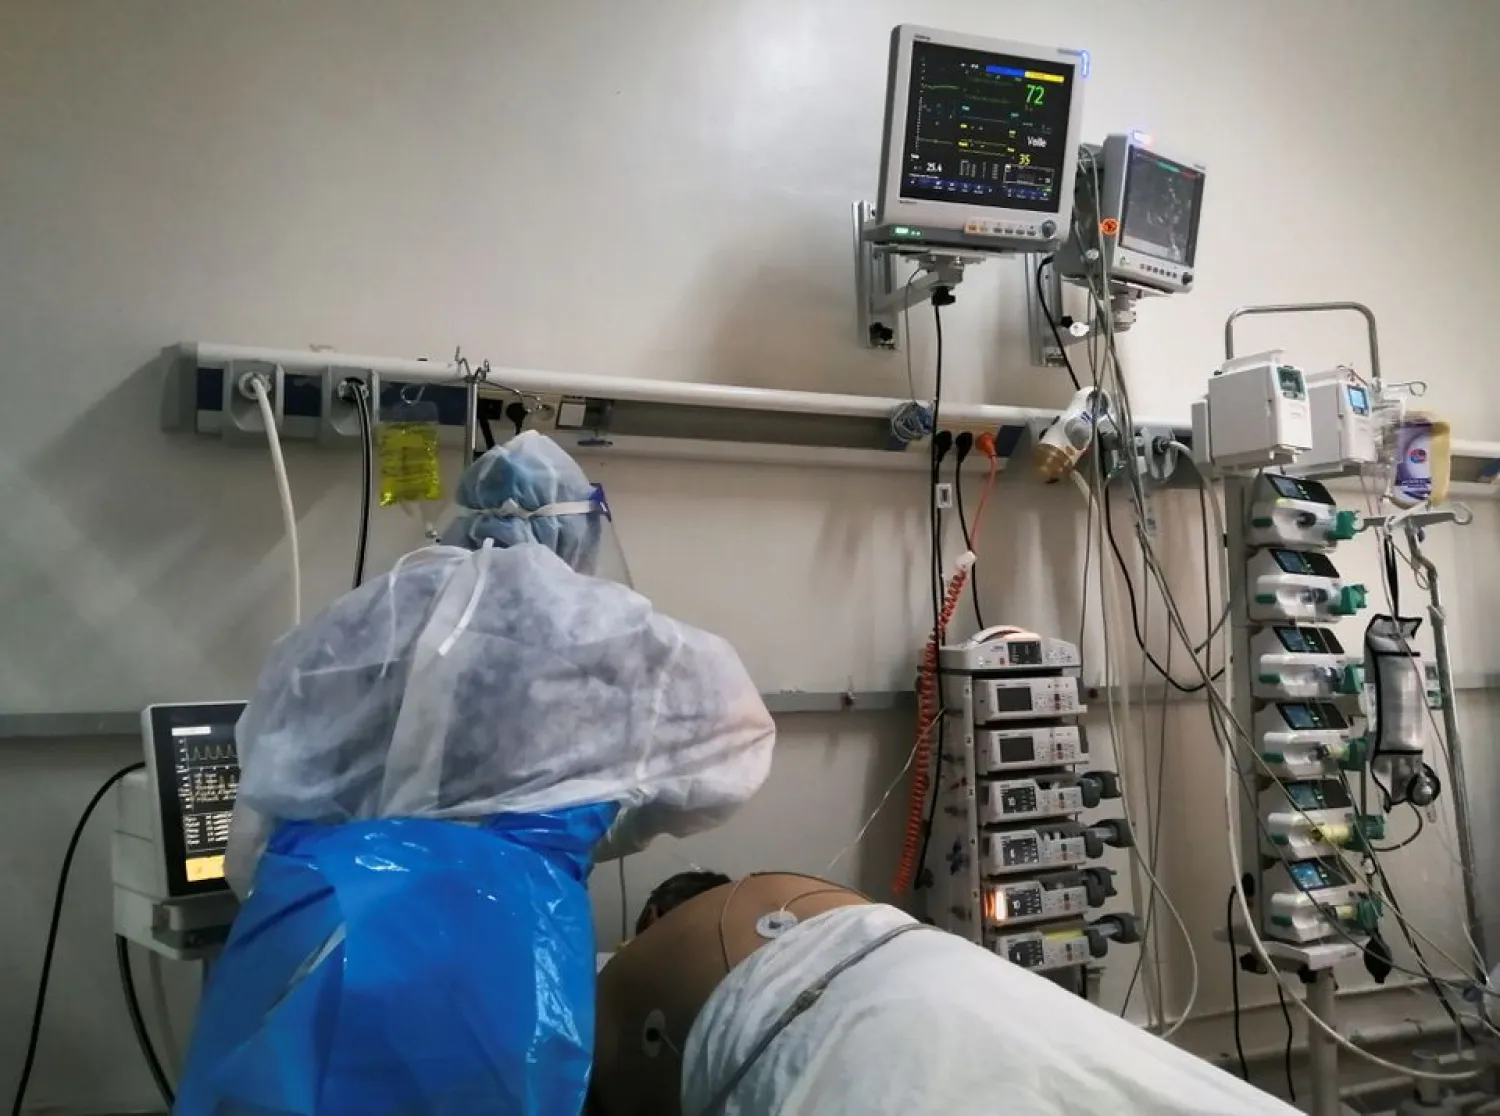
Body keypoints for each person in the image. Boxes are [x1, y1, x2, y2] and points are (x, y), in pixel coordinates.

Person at [178, 433, 776, 1116]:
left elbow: (253, 831)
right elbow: (735, 745)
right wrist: (596, 826)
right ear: (578, 527)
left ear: (465, 517)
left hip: (310, 932)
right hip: (492, 953)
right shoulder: (609, 634)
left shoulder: (349, 626)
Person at [592, 872, 1304, 1116]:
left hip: (823, 1015)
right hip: (934, 964)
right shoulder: (783, 904)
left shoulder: (612, 976)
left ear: (650, 921)